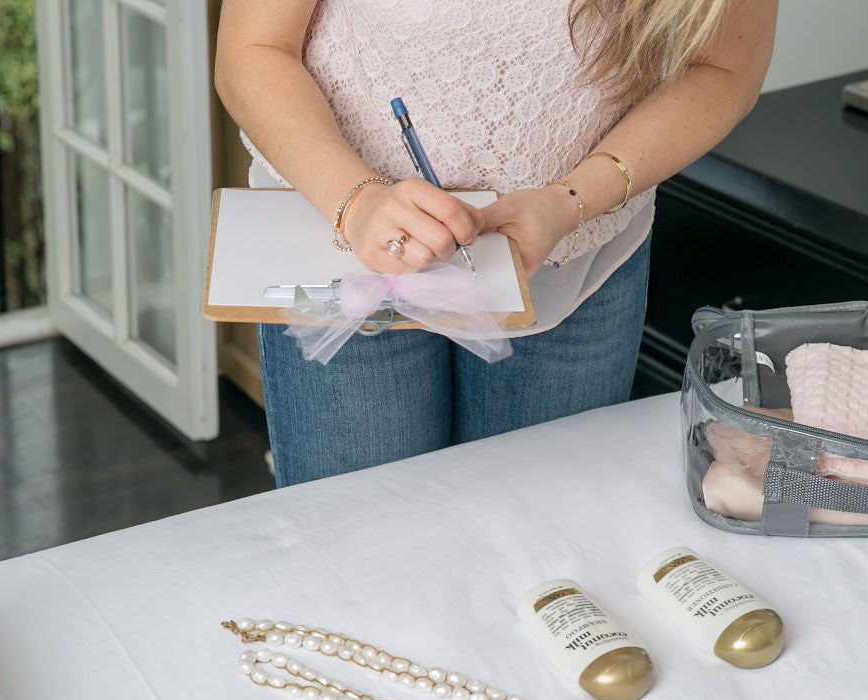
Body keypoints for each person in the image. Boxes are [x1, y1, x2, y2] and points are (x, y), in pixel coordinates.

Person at [216, 0, 778, 487]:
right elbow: (255, 48)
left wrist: (573, 200)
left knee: (537, 543)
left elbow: (726, 66)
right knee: (354, 538)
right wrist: (357, 201)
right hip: (339, 242)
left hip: (576, 255)